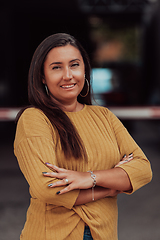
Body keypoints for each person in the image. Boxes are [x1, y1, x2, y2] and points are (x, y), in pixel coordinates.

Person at [14, 33, 152, 240]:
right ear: (42, 76)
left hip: (104, 233)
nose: (68, 75)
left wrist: (89, 178)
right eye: (56, 67)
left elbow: (142, 169)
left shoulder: (103, 116)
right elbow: (47, 189)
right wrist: (110, 187)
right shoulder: (34, 119)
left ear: (85, 70)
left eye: (74, 65)